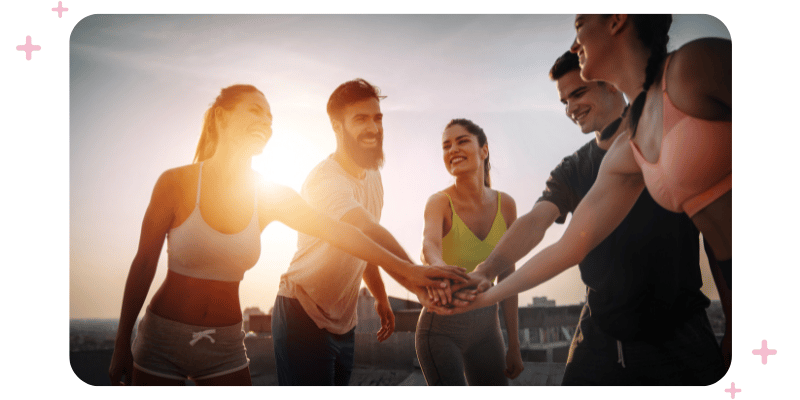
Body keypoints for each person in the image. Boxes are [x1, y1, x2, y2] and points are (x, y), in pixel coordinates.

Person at [108, 84, 466, 386]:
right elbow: (144, 264)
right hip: (163, 340)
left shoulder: (271, 196)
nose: (265, 122)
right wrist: (122, 343)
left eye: (270, 118)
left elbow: (344, 234)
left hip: (227, 347)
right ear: (221, 117)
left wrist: (403, 275)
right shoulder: (175, 183)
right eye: (255, 111)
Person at [445, 14, 732, 373]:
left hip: (678, 330)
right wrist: (484, 284)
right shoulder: (626, 151)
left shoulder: (693, 68)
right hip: (600, 335)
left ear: (617, 20)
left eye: (578, 93)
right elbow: (562, 242)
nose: (570, 108)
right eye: (564, 101)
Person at [272, 78, 459, 386]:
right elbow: (365, 229)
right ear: (337, 126)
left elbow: (363, 246)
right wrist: (414, 277)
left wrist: (380, 296)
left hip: (344, 324)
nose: (373, 128)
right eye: (360, 119)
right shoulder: (326, 181)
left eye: (377, 118)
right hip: (302, 314)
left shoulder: (373, 176)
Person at [414, 119, 524, 385]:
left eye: (462, 141)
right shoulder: (439, 202)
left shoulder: (506, 205)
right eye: (446, 146)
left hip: (487, 331)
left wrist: (514, 345)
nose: (452, 149)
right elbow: (429, 245)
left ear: (484, 150)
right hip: (440, 330)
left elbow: (508, 279)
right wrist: (439, 267)